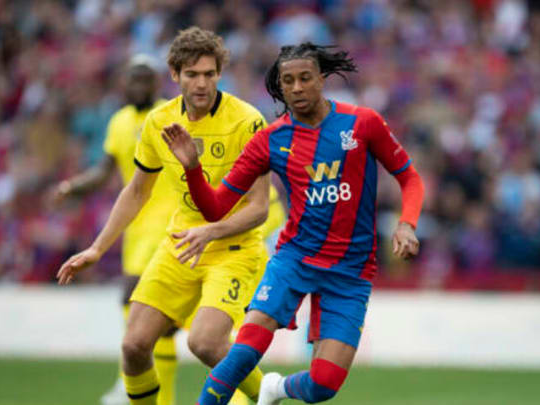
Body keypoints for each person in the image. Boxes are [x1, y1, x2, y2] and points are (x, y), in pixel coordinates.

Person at [162, 42, 425, 405]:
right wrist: (193, 168)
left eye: (305, 78)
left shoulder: (362, 123)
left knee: (323, 386)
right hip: (294, 259)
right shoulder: (270, 140)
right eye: (289, 81)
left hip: (351, 270)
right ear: (280, 86)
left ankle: (274, 389)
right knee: (242, 353)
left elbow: (410, 177)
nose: (297, 87)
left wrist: (407, 224)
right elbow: (216, 207)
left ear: (321, 79)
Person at [56, 27, 272, 405]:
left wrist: (212, 231)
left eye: (209, 74)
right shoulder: (159, 122)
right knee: (134, 346)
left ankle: (269, 394)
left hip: (233, 249)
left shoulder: (247, 121)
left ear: (220, 73)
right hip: (180, 246)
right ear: (175, 75)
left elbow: (259, 207)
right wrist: (97, 248)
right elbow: (137, 190)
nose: (201, 83)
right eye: (191, 74)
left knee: (205, 343)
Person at [49, 54, 179, 405]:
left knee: (136, 300)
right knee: (153, 321)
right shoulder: (120, 121)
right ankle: (143, 382)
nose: (138, 86)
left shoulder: (172, 115)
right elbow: (105, 170)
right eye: (132, 79)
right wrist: (72, 187)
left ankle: (133, 380)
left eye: (144, 79)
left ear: (157, 82)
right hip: (135, 229)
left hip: (171, 224)